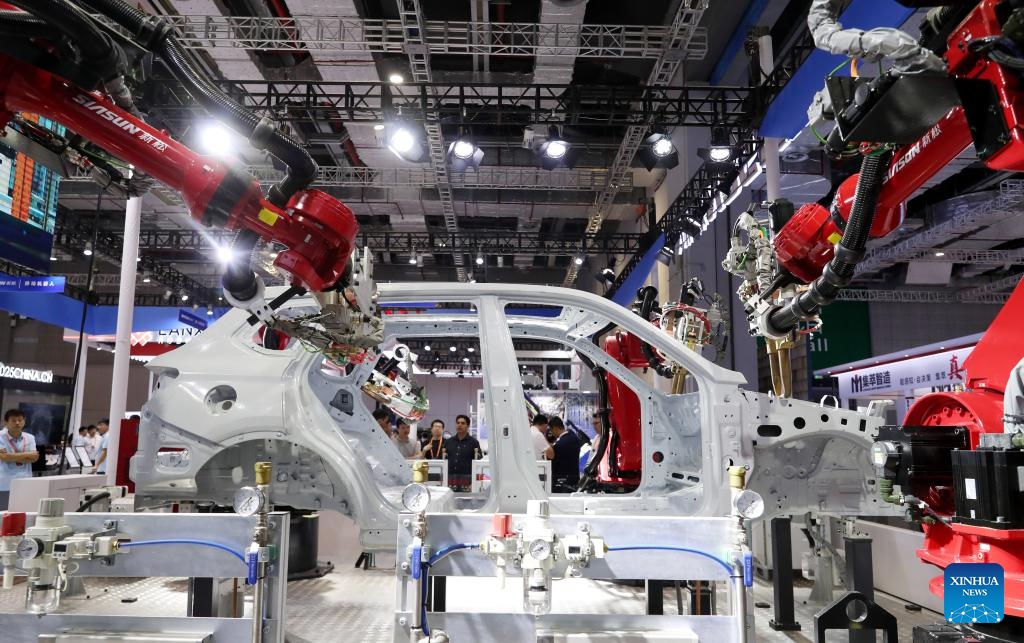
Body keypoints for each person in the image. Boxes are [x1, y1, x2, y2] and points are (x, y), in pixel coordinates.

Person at [0, 409, 38, 507]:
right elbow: (4, 457)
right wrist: (27, 455)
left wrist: (10, 456)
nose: (17, 423)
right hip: (5, 483)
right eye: (13, 420)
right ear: (6, 422)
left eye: (20, 420)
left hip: (25, 481)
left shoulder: (30, 437)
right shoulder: (0, 437)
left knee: (22, 512)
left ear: (24, 421)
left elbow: (34, 458)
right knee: (4, 514)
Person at [443, 414, 481, 492]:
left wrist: (474, 482)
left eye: (463, 423)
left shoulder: (474, 442)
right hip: (450, 478)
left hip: (467, 478)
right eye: (458, 423)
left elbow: (478, 463)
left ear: (468, 426)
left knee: (466, 502)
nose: (459, 425)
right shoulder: (448, 442)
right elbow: (444, 460)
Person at [548, 416, 581, 493]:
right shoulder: (574, 437)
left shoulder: (559, 445)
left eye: (551, 430)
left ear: (555, 428)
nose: (552, 433)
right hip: (575, 478)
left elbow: (553, 463)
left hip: (562, 481)